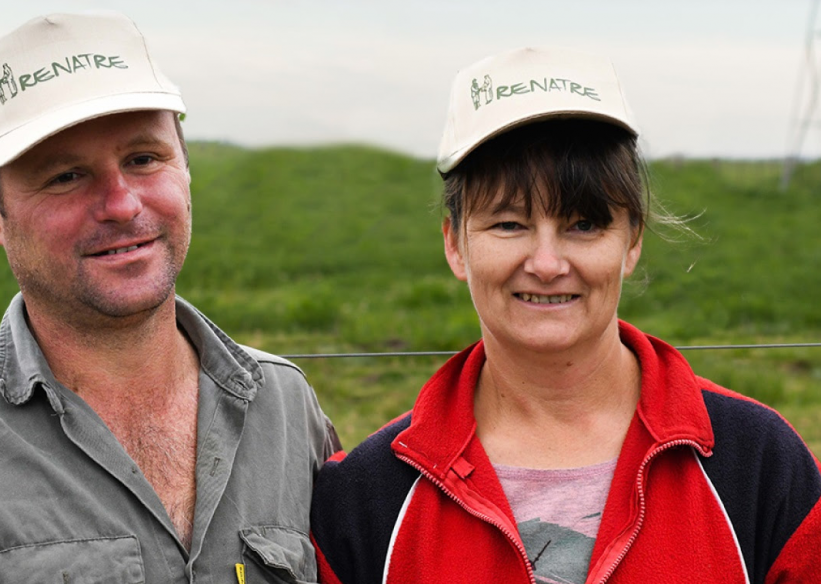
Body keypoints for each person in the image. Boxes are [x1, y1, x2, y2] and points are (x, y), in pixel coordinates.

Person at [0, 12, 338, 583]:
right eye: (65, 176)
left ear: (185, 165)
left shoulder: (285, 408)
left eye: (143, 159)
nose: (122, 204)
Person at [310, 47, 821, 584]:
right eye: (508, 224)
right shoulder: (365, 501)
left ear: (632, 241)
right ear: (455, 244)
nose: (548, 264)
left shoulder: (760, 464)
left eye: (584, 224)